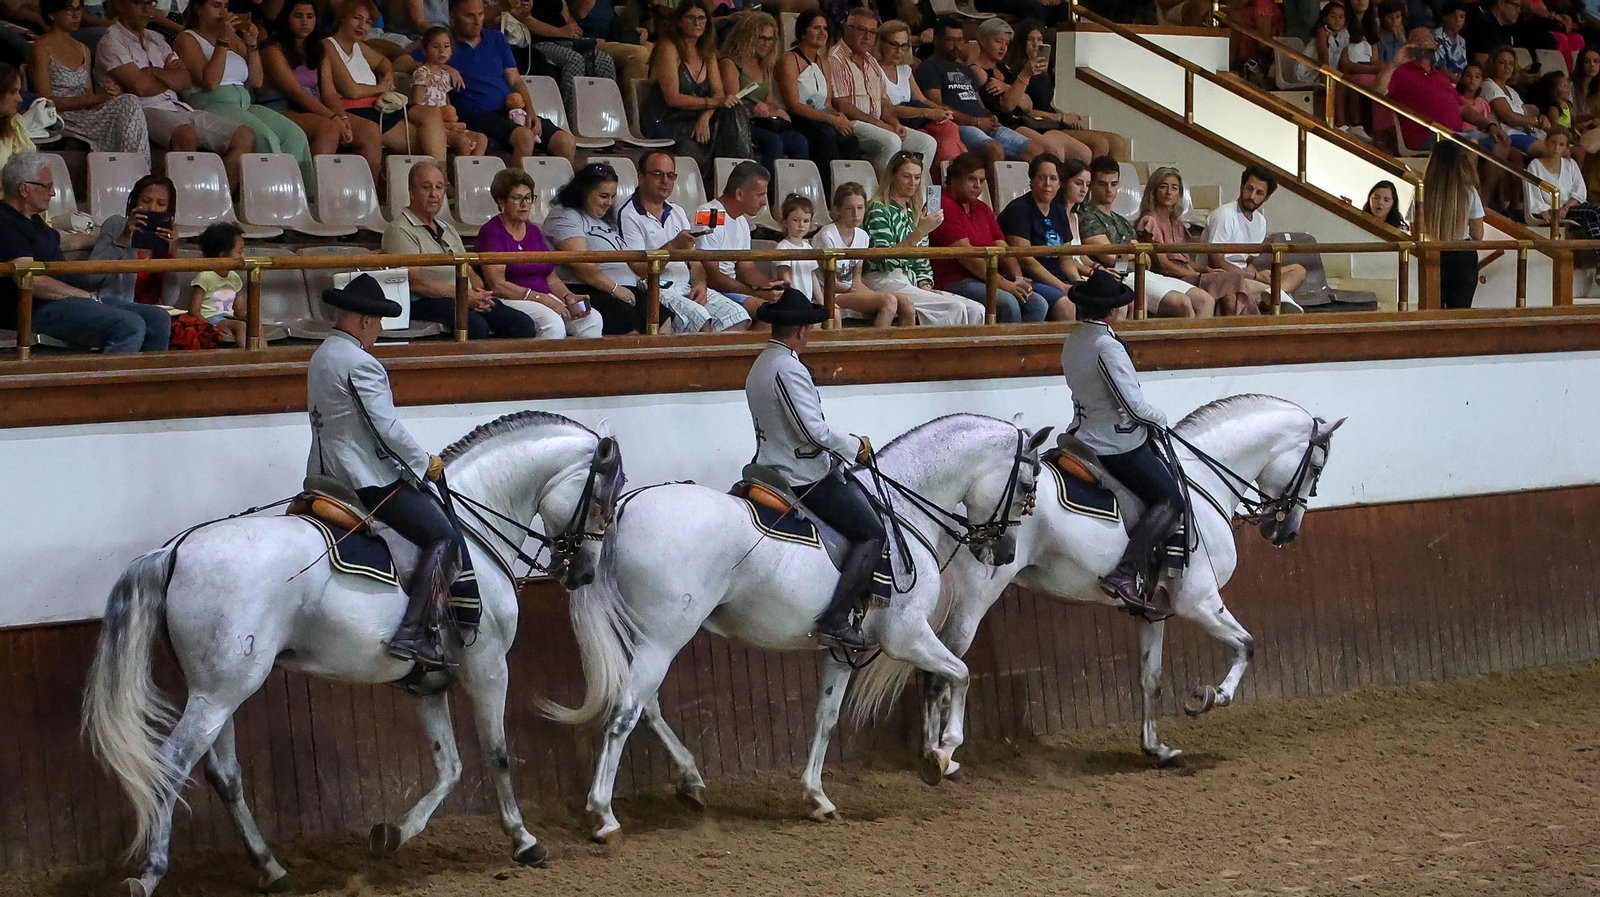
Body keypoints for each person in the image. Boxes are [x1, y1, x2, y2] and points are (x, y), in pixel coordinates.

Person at [307, 272, 462, 669]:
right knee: (442, 534)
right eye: (376, 324)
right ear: (363, 321)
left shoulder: (322, 354)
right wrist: (424, 463)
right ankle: (412, 633)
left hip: (324, 472)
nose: (377, 331)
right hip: (365, 479)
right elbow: (385, 428)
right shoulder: (362, 363)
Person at [744, 287, 882, 649]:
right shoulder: (788, 367)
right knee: (872, 532)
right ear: (802, 330)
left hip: (769, 461)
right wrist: (856, 446)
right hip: (800, 473)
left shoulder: (761, 363)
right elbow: (812, 430)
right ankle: (836, 618)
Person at [1059, 267, 1184, 615]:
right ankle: (1126, 572)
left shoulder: (1074, 340)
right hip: (1114, 444)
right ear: (1113, 310)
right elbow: (1132, 406)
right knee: (1171, 499)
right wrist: (1162, 421)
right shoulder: (1106, 346)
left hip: (1081, 433)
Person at [0, 153, 169, 352]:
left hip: (64, 299)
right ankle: (111, 382)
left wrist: (113, 238)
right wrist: (81, 295)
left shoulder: (32, 220)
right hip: (35, 307)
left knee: (158, 319)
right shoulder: (5, 222)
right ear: (24, 189)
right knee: (129, 325)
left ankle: (149, 381)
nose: (52, 193)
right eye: (46, 186)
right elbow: (32, 281)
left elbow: (67, 240)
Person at [94, 0, 255, 184]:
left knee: (244, 136)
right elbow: (141, 87)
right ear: (121, 5)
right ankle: (180, 202)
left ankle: (217, 199)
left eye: (150, 3)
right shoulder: (111, 41)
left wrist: (154, 72)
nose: (148, 10)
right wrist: (170, 76)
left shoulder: (156, 38)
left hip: (177, 106)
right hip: (142, 110)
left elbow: (185, 81)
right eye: (140, 4)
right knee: (185, 135)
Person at [383, 159, 537, 338]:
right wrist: (465, 295)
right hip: (425, 300)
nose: (434, 194)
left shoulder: (447, 228)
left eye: (439, 187)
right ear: (412, 192)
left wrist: (479, 293)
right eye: (426, 187)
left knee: (522, 324)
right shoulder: (399, 229)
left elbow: (468, 268)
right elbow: (416, 282)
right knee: (476, 327)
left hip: (462, 296)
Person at [412, 0, 574, 165]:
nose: (477, 21)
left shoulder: (497, 38)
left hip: (509, 111)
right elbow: (401, 62)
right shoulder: (444, 45)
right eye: (469, 16)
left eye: (480, 14)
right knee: (525, 137)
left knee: (566, 141)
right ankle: (518, 188)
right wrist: (442, 66)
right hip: (477, 116)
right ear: (452, 17)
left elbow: (516, 81)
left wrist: (531, 111)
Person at [175, 0, 315, 186]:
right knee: (265, 136)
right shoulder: (187, 38)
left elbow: (256, 81)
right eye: (216, 6)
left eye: (226, 6)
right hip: (211, 102)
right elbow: (210, 82)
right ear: (199, 9)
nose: (223, 12)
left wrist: (251, 45)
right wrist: (222, 42)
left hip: (244, 102)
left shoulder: (232, 38)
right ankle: (271, 196)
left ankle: (302, 196)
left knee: (294, 135)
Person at [617, 150, 745, 333]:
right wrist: (673, 246)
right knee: (701, 320)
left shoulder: (677, 211)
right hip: (655, 289)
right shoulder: (628, 214)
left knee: (737, 316)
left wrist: (700, 283)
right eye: (658, 174)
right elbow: (638, 267)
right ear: (641, 176)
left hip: (687, 286)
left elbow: (694, 260)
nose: (665, 181)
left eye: (671, 175)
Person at [471, 167, 602, 338]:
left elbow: (550, 276)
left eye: (528, 198)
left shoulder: (533, 231)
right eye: (517, 198)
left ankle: (581, 365)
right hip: (510, 299)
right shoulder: (492, 231)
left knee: (592, 319)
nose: (525, 204)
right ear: (501, 201)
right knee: (553, 323)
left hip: (541, 296)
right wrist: (543, 300)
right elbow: (498, 285)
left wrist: (568, 296)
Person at [1078, 155, 1215, 317]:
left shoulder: (1120, 220)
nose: (1109, 190)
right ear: (1092, 185)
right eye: (1102, 184)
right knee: (1183, 303)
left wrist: (1132, 256)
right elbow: (1110, 257)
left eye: (1113, 184)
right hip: (1118, 277)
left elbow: (1145, 258)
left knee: (1205, 300)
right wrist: (1133, 256)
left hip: (1142, 273)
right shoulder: (1087, 215)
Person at [973, 17, 1124, 164]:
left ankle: (1108, 185)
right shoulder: (991, 70)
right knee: (1077, 149)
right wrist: (1023, 80)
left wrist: (1008, 88)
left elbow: (1027, 103)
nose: (1003, 47)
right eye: (998, 42)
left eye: (1006, 43)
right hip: (1016, 124)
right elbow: (1010, 106)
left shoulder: (1004, 69)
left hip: (1028, 119)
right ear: (983, 42)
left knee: (1115, 142)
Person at [325, 0, 458, 167]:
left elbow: (383, 61)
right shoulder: (328, 45)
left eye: (368, 22)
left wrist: (387, 75)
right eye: (357, 18)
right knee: (424, 140)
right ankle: (437, 180)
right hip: (355, 110)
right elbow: (352, 90)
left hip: (378, 107)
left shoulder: (358, 45)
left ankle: (440, 181)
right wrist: (381, 88)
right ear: (343, 18)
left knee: (431, 113)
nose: (362, 26)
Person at [261, 2, 383, 180]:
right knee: (329, 128)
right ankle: (315, 193)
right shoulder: (272, 49)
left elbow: (329, 93)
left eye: (310, 17)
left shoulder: (319, 49)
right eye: (298, 16)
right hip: (279, 107)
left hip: (313, 106)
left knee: (370, 131)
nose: (304, 22)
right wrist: (333, 118)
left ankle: (366, 195)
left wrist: (343, 117)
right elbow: (296, 92)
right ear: (286, 18)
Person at [862, 149, 985, 325]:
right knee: (954, 308)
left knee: (976, 309)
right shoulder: (878, 210)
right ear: (893, 176)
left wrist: (925, 282)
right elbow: (885, 259)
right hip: (883, 278)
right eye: (907, 176)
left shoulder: (914, 212)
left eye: (917, 177)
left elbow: (922, 258)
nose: (913, 183)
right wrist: (919, 232)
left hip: (909, 280)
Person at [930, 149, 1049, 322]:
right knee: (1008, 303)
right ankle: (1006, 349)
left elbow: (1003, 247)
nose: (978, 185)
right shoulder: (942, 203)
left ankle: (1026, 349)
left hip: (988, 278)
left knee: (1037, 304)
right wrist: (1005, 285)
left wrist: (1018, 279)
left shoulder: (982, 208)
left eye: (981, 180)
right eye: (971, 179)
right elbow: (968, 256)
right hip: (955, 280)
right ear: (954, 179)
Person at [643, 0, 749, 188]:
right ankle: (733, 180)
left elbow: (720, 95)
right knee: (696, 145)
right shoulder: (668, 48)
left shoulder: (707, 52)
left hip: (696, 117)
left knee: (734, 109)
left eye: (701, 18)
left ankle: (740, 176)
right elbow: (673, 98)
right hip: (667, 119)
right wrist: (711, 104)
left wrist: (705, 118)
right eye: (691, 18)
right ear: (679, 21)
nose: (697, 23)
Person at [27, 0, 150, 161]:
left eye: (79, 9)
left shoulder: (83, 49)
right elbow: (45, 101)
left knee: (129, 101)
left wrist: (108, 92)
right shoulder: (41, 48)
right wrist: (98, 98)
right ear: (52, 14)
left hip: (84, 115)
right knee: (128, 104)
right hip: (60, 117)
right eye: (69, 10)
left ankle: (135, 168)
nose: (76, 15)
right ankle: (132, 169)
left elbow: (89, 97)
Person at [916, 17, 1051, 165]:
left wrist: (989, 116)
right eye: (951, 40)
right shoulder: (929, 68)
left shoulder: (965, 70)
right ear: (937, 40)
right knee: (994, 149)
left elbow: (977, 101)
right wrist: (978, 122)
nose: (957, 46)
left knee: (1036, 150)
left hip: (983, 123)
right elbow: (939, 109)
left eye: (960, 40)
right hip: (959, 126)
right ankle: (993, 189)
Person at [825, 7, 938, 179]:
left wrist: (894, 123)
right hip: (852, 123)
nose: (867, 37)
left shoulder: (871, 61)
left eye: (872, 32)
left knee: (926, 143)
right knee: (890, 140)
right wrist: (879, 124)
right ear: (848, 29)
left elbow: (883, 102)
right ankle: (886, 198)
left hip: (877, 123)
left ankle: (915, 200)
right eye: (862, 30)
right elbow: (842, 104)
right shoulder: (836, 58)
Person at [540, 160, 651, 335]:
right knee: (626, 318)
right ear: (584, 193)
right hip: (587, 289)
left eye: (613, 197)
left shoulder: (605, 219)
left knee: (661, 314)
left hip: (624, 290)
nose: (609, 203)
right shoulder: (565, 216)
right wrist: (615, 289)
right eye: (603, 196)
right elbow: (581, 264)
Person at [1138, 166, 1253, 315]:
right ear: (1153, 191)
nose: (1169, 192)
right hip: (1170, 279)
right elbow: (1163, 265)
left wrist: (1206, 270)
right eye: (1163, 187)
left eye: (1174, 188)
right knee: (1234, 279)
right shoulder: (1150, 221)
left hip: (1187, 274)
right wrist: (1196, 276)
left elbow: (1184, 260)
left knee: (1231, 297)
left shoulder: (1177, 223)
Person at [773, 8, 860, 193]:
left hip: (821, 117)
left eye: (825, 29)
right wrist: (830, 119)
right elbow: (794, 104)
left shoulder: (823, 62)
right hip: (798, 119)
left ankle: (850, 194)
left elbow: (827, 103)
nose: (822, 33)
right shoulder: (788, 60)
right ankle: (828, 195)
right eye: (816, 28)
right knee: (826, 139)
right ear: (803, 31)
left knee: (850, 140)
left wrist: (838, 116)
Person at [720, 11, 806, 189]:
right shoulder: (730, 63)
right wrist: (754, 110)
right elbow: (732, 104)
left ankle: (793, 194)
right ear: (748, 37)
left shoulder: (764, 66)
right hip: (742, 123)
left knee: (799, 141)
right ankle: (763, 194)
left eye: (770, 39)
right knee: (774, 143)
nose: (766, 44)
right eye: (761, 38)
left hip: (763, 121)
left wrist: (770, 109)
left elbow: (770, 101)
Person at [1203, 164, 1306, 310]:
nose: (1252, 196)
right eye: (1249, 189)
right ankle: (1276, 296)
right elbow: (1216, 261)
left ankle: (1271, 295)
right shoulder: (1224, 215)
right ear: (1241, 186)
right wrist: (1255, 277)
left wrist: (1259, 275)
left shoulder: (1260, 221)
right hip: (1224, 277)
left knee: (1298, 270)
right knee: (1245, 283)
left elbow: (1248, 261)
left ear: (1266, 197)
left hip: (1247, 276)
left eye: (1259, 193)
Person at [812, 180, 914, 327]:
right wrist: (856, 291)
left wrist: (870, 294)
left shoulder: (862, 236)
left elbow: (857, 279)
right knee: (889, 301)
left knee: (906, 303)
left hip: (851, 290)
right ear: (837, 210)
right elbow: (831, 282)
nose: (856, 214)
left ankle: (906, 348)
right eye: (849, 209)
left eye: (860, 208)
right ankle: (876, 346)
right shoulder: (827, 236)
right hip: (830, 293)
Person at [695, 159, 787, 318]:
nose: (765, 202)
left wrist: (769, 286)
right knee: (773, 314)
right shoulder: (708, 214)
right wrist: (756, 294)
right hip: (713, 292)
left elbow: (746, 268)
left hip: (731, 290)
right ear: (739, 194)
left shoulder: (742, 221)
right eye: (760, 195)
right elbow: (712, 277)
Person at [998, 152, 1084, 321]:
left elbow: (1066, 258)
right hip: (1031, 279)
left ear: (1060, 184)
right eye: (1041, 178)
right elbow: (1026, 260)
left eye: (1053, 178)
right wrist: (1061, 287)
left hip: (1058, 278)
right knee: (1066, 304)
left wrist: (1077, 281)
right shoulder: (1019, 210)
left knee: (1105, 299)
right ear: (1031, 181)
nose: (1047, 184)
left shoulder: (1059, 210)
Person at [877, 18, 963, 174]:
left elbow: (921, 99)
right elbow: (888, 109)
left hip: (914, 118)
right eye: (894, 45)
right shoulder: (874, 69)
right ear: (882, 43)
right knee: (933, 138)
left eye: (904, 46)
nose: (899, 51)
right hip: (893, 120)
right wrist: (929, 113)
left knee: (949, 126)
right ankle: (946, 180)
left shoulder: (904, 69)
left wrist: (940, 110)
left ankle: (947, 179)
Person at [1418, 139, 1483, 307]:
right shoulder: (1469, 192)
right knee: (1460, 315)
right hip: (1463, 254)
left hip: (1431, 252)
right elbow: (1478, 234)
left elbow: (1415, 231)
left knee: (1432, 312)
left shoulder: (1421, 192)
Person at [1525, 126, 1600, 233]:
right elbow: (1533, 194)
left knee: (1592, 222)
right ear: (1546, 142)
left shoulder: (1570, 164)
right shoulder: (1535, 165)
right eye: (1553, 143)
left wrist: (1566, 207)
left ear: (1566, 147)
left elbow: (1580, 192)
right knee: (1596, 213)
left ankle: (1596, 249)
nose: (1556, 148)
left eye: (1561, 145)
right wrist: (1544, 211)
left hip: (1571, 207)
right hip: (1553, 210)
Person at [187, 221, 249, 346]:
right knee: (241, 327)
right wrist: (209, 327)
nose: (244, 256)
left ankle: (266, 361)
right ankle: (247, 360)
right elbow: (194, 310)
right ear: (223, 256)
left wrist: (253, 319)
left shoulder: (235, 277)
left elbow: (240, 310)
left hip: (228, 319)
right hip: (211, 320)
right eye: (240, 252)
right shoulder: (205, 276)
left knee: (253, 326)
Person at [1483, 46, 1549, 157]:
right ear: (1493, 64)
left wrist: (1541, 118)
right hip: (1508, 135)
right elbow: (1508, 117)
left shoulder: (1511, 90)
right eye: (1502, 63)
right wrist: (1536, 121)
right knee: (1547, 151)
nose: (1507, 67)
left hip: (1525, 133)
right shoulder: (1489, 85)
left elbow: (1526, 115)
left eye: (1511, 64)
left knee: (1562, 148)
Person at [775, 193, 822, 304]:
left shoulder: (808, 247)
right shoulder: (783, 247)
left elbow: (813, 277)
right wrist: (797, 300)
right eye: (795, 220)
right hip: (792, 302)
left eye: (806, 221)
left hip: (807, 300)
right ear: (785, 222)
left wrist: (822, 301)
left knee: (834, 314)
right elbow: (785, 279)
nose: (801, 225)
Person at [0, 64, 34, 171]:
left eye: (19, 92)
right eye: (12, 92)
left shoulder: (15, 123)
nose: (20, 99)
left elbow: (29, 165)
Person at [1434, 0, 1469, 78]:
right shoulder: (1437, 37)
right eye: (1454, 16)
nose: (1458, 21)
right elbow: (1441, 69)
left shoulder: (1461, 41)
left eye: (1462, 17)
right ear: (1445, 17)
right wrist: (1460, 83)